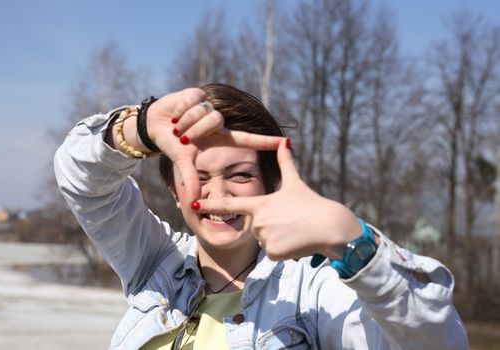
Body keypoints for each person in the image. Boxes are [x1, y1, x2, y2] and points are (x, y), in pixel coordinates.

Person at [54, 83, 468, 350]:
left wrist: (354, 243)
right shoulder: (156, 264)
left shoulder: (312, 289)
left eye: (240, 175)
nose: (218, 196)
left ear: (271, 183)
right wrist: (139, 128)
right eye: (196, 177)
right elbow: (81, 179)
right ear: (174, 193)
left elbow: (436, 341)